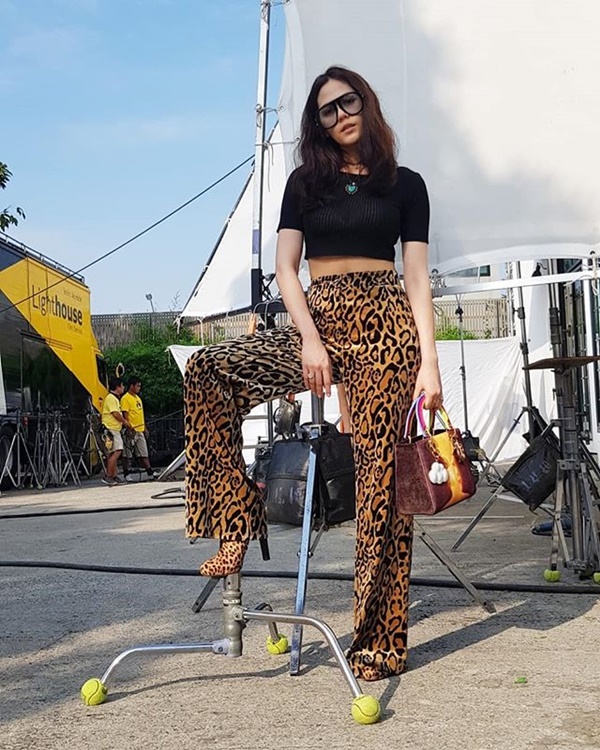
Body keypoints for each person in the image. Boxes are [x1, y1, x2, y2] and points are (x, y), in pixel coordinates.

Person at [184, 66, 443, 681]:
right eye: (327, 110)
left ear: (366, 102)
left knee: (380, 484)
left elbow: (415, 278)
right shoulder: (305, 183)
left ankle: (378, 641)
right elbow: (286, 266)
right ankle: (234, 516)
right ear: (317, 124)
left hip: (386, 327)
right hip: (319, 318)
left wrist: (430, 362)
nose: (340, 115)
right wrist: (310, 338)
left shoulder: (406, 185)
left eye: (348, 102)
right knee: (208, 370)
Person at [120, 376, 156, 481]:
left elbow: (140, 415)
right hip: (131, 430)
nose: (139, 388)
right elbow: (125, 414)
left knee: (143, 452)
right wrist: (128, 427)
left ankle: (150, 472)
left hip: (140, 430)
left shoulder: (138, 398)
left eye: (140, 386)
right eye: (137, 386)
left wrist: (144, 428)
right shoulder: (125, 398)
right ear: (131, 386)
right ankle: (126, 473)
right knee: (127, 454)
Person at [101, 376, 131, 486]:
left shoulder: (113, 398)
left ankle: (113, 475)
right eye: (122, 386)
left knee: (113, 452)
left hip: (114, 429)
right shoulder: (111, 398)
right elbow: (115, 413)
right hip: (111, 429)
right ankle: (109, 476)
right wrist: (125, 422)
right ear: (117, 387)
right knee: (117, 451)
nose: (123, 388)